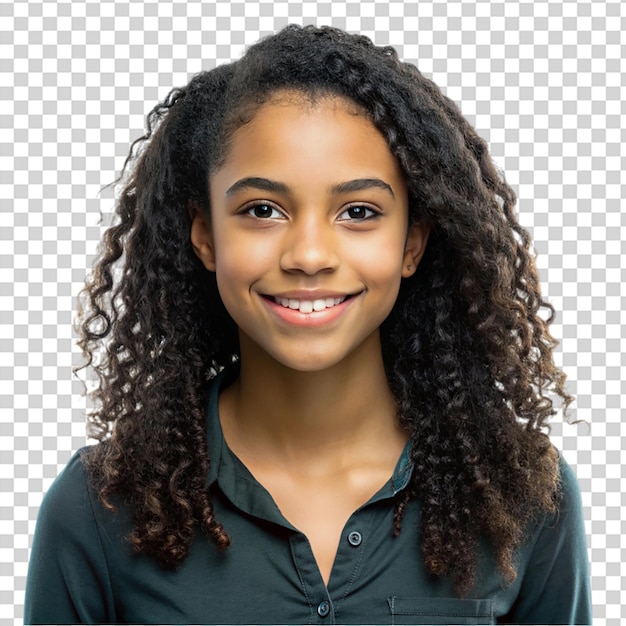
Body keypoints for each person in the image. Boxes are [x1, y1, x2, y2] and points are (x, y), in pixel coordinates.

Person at [24, 24, 592, 625]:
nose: (310, 254)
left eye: (359, 212)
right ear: (205, 235)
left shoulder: (521, 496)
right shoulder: (100, 507)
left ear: (412, 243)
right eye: (262, 210)